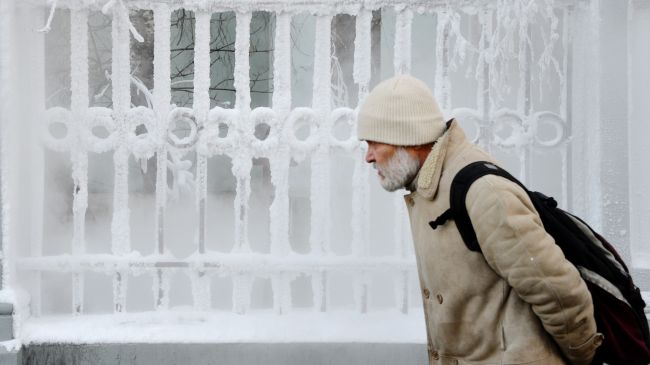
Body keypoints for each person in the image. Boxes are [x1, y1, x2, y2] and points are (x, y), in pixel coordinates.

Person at [357, 74, 603, 365]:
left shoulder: (483, 193)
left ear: (407, 138)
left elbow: (558, 291)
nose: (369, 157)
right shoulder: (429, 187)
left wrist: (584, 356)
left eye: (374, 143)